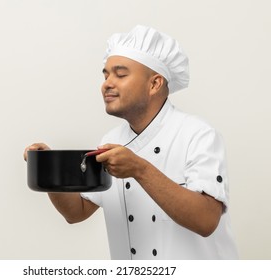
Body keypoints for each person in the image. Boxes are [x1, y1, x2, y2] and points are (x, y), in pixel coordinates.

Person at [24, 25, 238, 259]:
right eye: (105, 75)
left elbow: (206, 220)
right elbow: (77, 212)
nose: (107, 83)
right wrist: (49, 170)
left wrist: (139, 168)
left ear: (155, 84)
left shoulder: (198, 135)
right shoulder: (112, 140)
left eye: (120, 74)